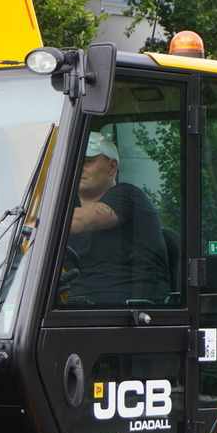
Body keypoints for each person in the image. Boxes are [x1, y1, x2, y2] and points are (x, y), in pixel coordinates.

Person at [63, 131, 170, 308]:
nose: (78, 168)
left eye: (87, 161)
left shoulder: (128, 195)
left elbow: (83, 220)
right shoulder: (65, 212)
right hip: (76, 313)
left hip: (131, 316)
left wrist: (30, 225)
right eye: (73, 162)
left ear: (112, 167)